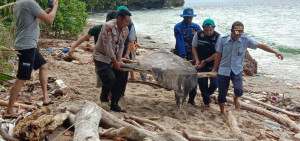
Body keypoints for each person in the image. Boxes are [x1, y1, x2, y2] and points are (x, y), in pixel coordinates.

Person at [212, 21, 284, 114]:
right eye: (235, 33)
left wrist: (275, 52)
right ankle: (222, 111)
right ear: (231, 31)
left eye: (240, 33)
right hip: (223, 69)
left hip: (236, 69)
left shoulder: (245, 40)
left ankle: (235, 99)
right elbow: (218, 54)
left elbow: (260, 45)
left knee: (239, 91)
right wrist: (214, 69)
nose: (237, 36)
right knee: (222, 93)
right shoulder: (222, 39)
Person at [5, 0, 59, 118]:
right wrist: (55, 7)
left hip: (28, 45)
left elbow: (33, 22)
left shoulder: (19, 3)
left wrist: (44, 12)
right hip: (26, 45)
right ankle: (9, 109)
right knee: (22, 78)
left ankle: (46, 97)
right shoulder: (30, 3)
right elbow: (50, 20)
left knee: (43, 66)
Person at [93, 9, 132, 112]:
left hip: (114, 56)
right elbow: (107, 46)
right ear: (119, 19)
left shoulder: (125, 29)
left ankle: (115, 103)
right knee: (110, 78)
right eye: (126, 21)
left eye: (128, 21)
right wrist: (115, 62)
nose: (128, 23)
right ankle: (104, 97)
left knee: (121, 76)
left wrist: (119, 59)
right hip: (101, 56)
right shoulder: (108, 26)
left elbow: (121, 45)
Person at [174, 8, 201, 106]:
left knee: (193, 77)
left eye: (190, 17)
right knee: (180, 78)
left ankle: (191, 99)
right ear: (183, 17)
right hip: (180, 55)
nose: (189, 19)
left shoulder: (197, 27)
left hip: (193, 55)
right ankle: (179, 99)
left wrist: (198, 57)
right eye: (187, 17)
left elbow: (199, 42)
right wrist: (183, 56)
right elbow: (180, 41)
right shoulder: (178, 27)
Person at [192, 19, 220, 108]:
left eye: (210, 30)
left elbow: (218, 53)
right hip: (200, 62)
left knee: (214, 84)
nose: (208, 32)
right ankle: (207, 103)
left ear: (214, 28)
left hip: (213, 63)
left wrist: (206, 61)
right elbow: (194, 47)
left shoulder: (218, 37)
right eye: (206, 30)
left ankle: (206, 96)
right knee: (203, 83)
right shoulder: (199, 34)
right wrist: (197, 60)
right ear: (203, 28)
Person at [117, 6, 137, 97]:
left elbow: (130, 41)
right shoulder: (111, 25)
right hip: (114, 51)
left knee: (124, 73)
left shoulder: (129, 25)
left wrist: (127, 54)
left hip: (125, 50)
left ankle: (121, 93)